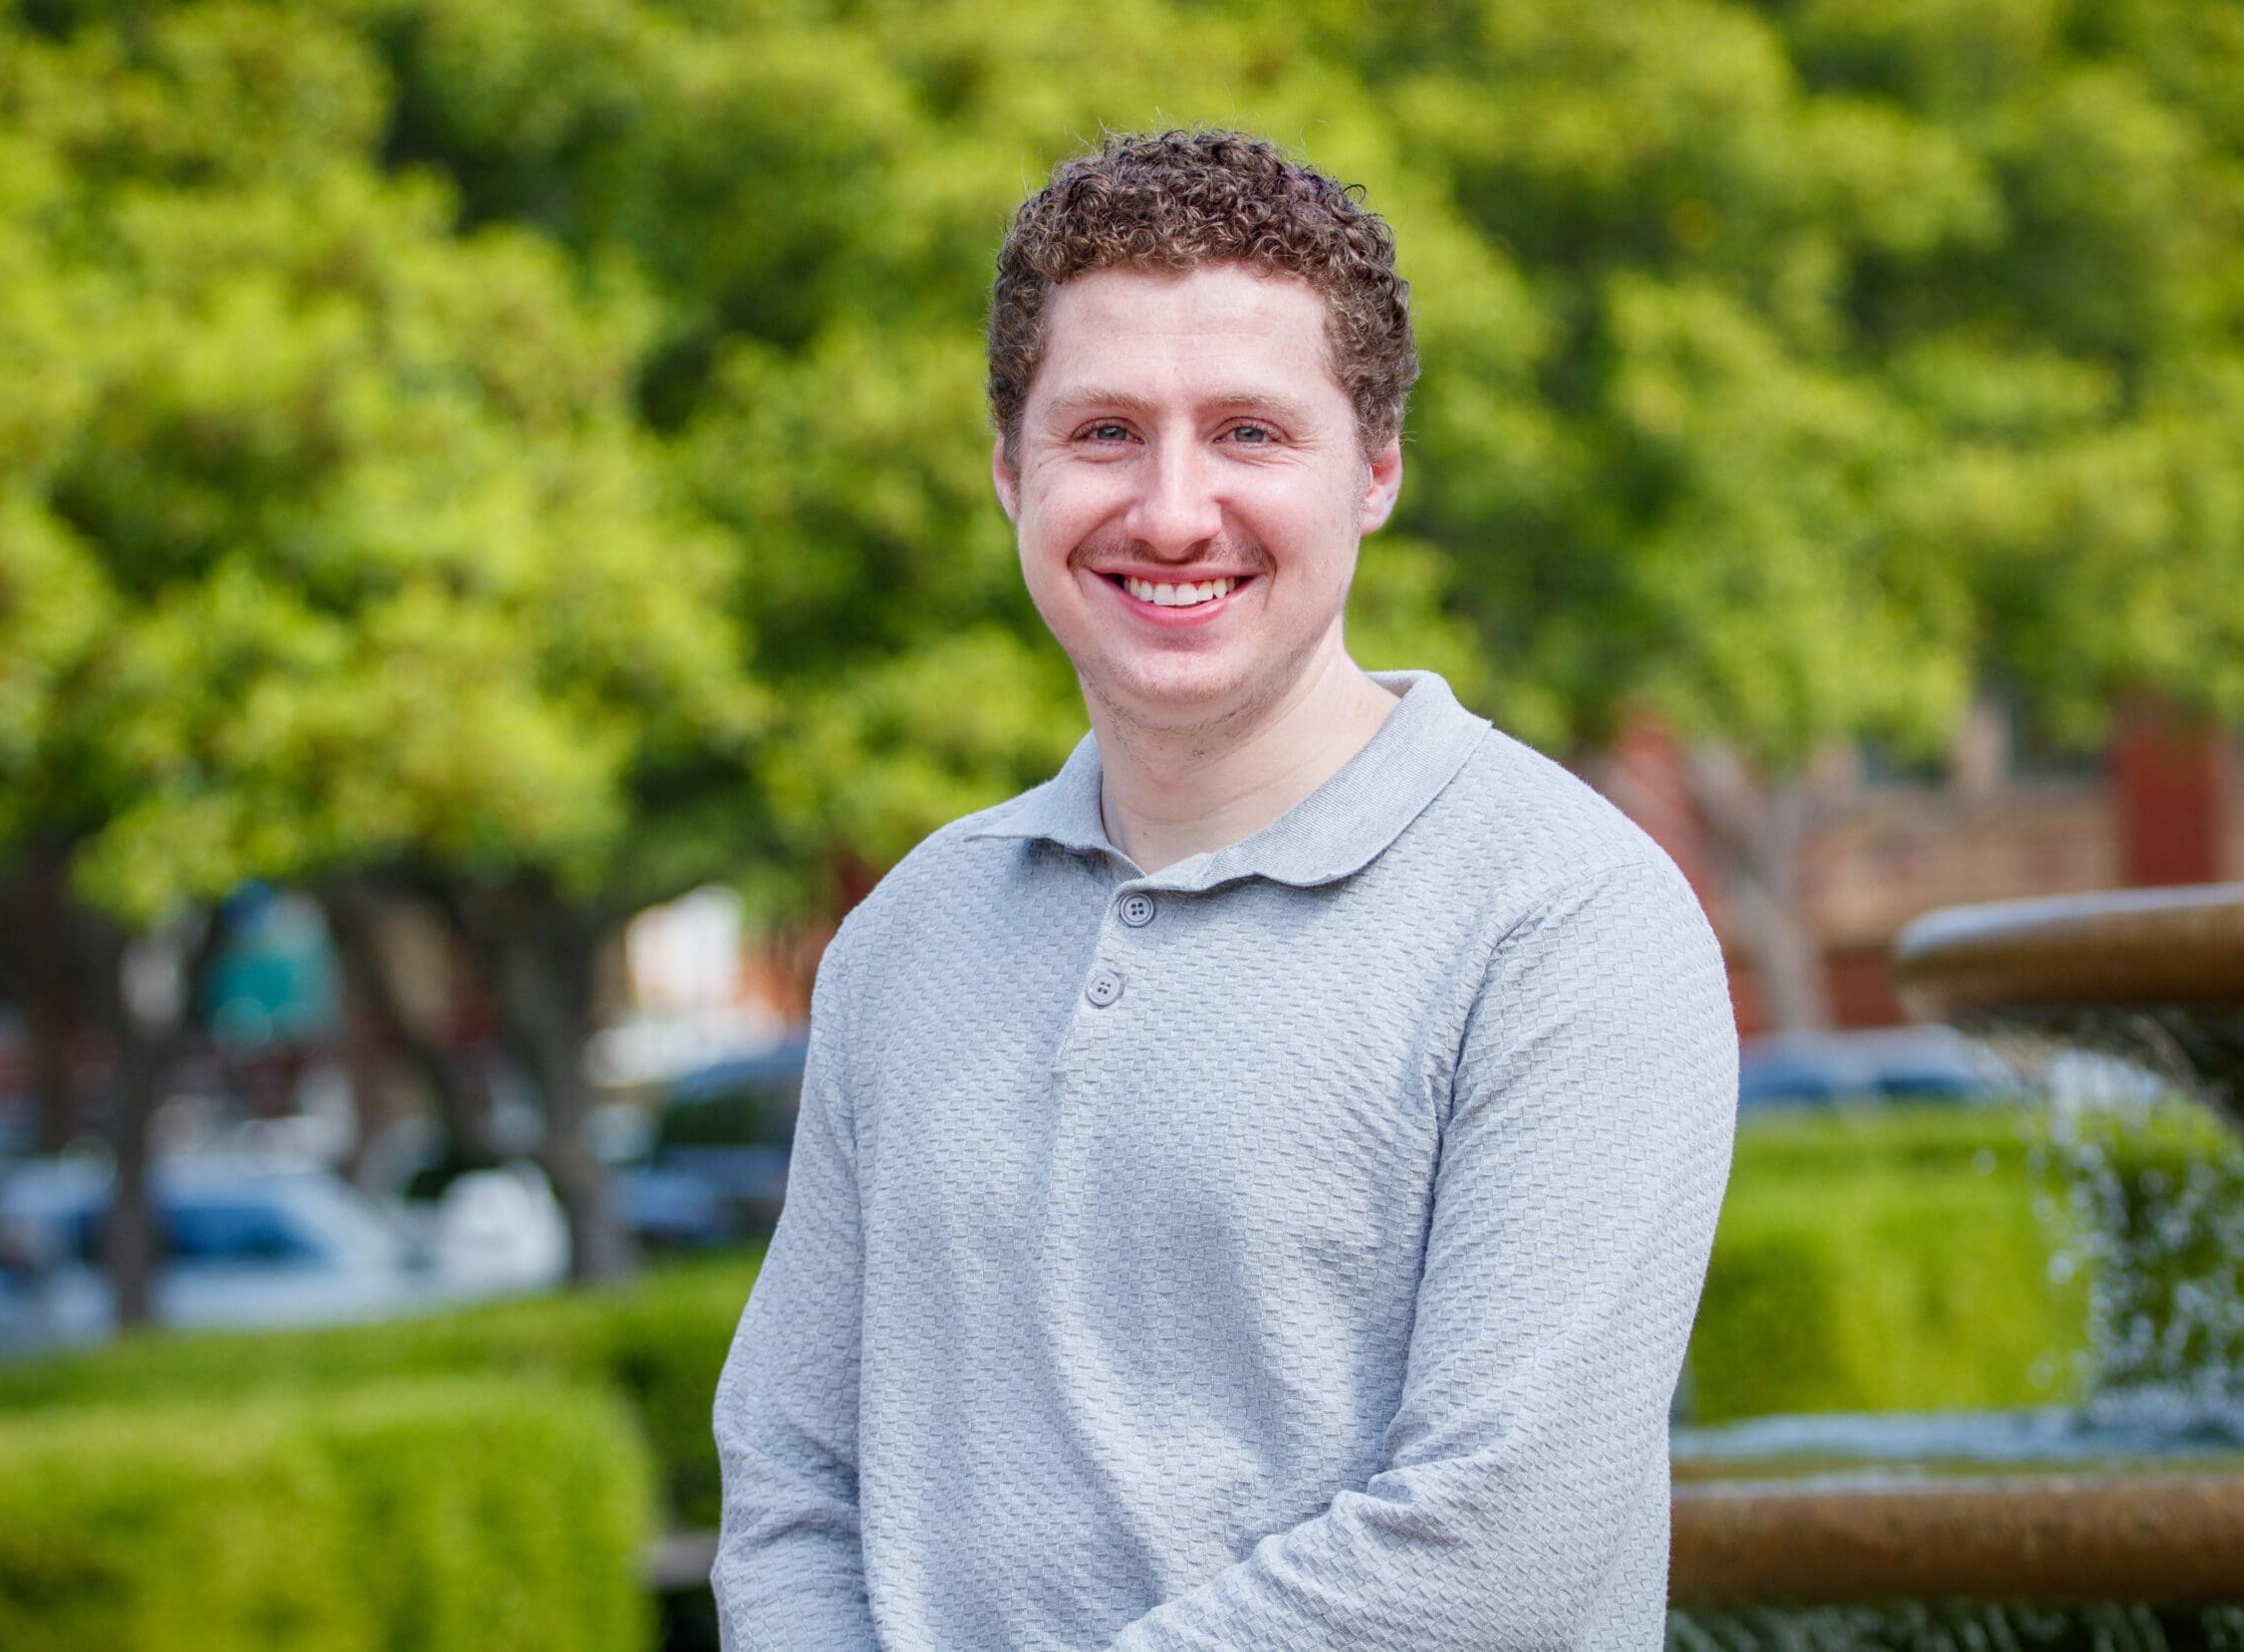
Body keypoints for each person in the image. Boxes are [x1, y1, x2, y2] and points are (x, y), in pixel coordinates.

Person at [711, 128, 1737, 1650]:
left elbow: (1497, 1540)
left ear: (1374, 472)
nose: (1174, 510)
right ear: (1011, 472)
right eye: (1106, 431)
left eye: (1251, 433)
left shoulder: (1566, 921)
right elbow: (794, 1480)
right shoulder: (908, 939)